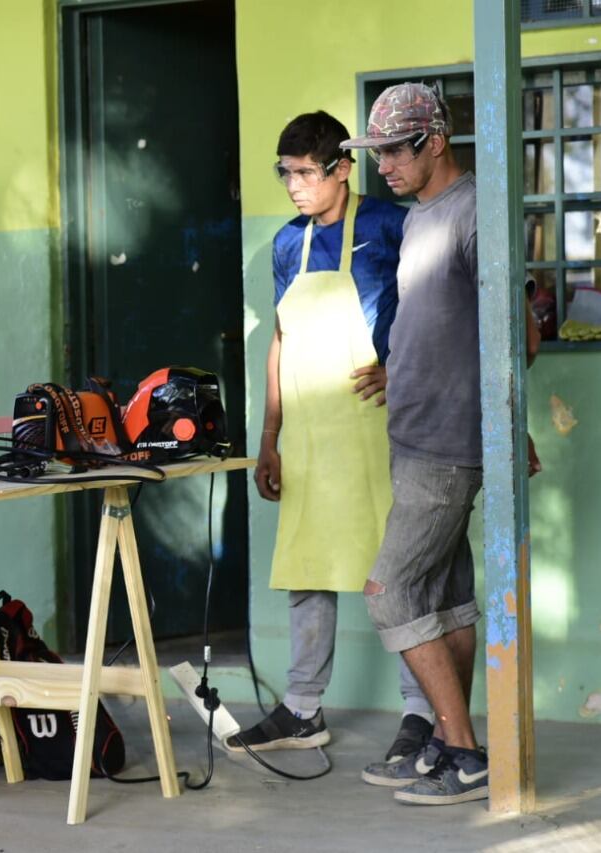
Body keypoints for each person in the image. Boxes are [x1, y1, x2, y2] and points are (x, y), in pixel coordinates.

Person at [341, 82, 538, 806]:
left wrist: (506, 424)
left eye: (393, 151)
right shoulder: (422, 213)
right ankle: (442, 742)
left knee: (390, 593)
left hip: (450, 443)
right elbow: (444, 322)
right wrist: (401, 366)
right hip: (413, 432)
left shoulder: (475, 208)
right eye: (376, 153)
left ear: (434, 142)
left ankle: (462, 747)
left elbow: (518, 330)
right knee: (446, 600)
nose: (382, 165)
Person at [227, 111, 434, 766]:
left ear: (344, 168)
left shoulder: (390, 226)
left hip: (380, 426)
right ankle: (303, 707)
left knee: (399, 570)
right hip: (310, 435)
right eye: (285, 173)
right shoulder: (289, 244)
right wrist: (269, 436)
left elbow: (437, 313)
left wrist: (399, 367)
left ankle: (420, 710)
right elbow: (280, 339)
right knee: (307, 568)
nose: (294, 186)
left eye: (307, 173)